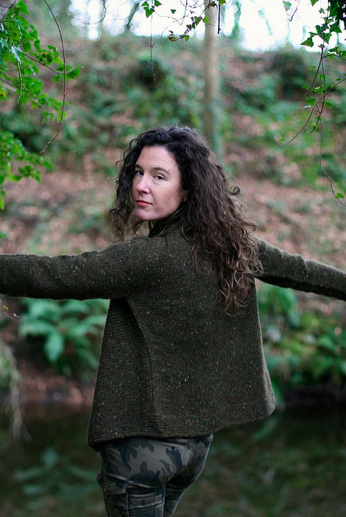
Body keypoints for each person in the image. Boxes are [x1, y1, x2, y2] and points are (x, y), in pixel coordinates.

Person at [0, 125, 345, 517]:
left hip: (141, 450)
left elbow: (57, 274)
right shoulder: (230, 244)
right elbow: (300, 270)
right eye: (138, 172)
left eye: (159, 176)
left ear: (188, 189)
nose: (141, 186)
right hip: (194, 448)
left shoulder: (150, 258)